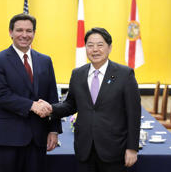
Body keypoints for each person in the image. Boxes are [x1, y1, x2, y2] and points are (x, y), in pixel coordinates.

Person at [39, 27, 141, 172]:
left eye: (100, 45)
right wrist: (51, 108)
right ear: (85, 48)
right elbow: (71, 104)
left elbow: (134, 114)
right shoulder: (78, 74)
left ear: (109, 47)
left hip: (113, 149)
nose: (95, 50)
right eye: (90, 45)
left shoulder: (125, 75)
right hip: (84, 148)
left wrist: (132, 148)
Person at [0, 13, 62, 172]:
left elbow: (52, 98)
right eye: (19, 30)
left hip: (38, 138)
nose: (24, 35)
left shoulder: (45, 61)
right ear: (10, 32)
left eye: (29, 31)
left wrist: (54, 130)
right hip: (8, 138)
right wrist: (31, 105)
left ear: (34, 33)